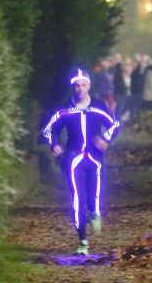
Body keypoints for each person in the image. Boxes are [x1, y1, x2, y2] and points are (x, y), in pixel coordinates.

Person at [41, 68, 121, 255]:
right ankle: (82, 241)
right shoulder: (64, 110)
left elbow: (114, 125)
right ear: (72, 87)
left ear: (89, 86)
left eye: (83, 85)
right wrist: (54, 144)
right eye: (76, 86)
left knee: (93, 196)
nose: (80, 89)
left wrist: (106, 140)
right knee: (78, 198)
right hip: (73, 158)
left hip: (95, 159)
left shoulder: (99, 106)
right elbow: (48, 130)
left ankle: (95, 213)